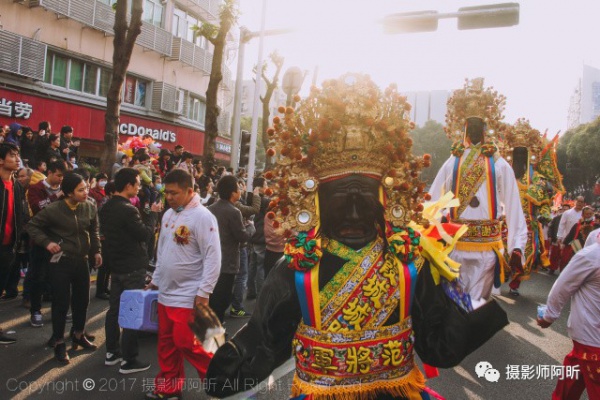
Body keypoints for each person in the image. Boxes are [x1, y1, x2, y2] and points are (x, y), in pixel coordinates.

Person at [201, 74, 508, 399]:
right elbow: (265, 344)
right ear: (315, 200)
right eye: (339, 197)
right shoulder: (297, 271)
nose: (352, 210)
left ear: (385, 199)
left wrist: (479, 314)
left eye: (363, 197)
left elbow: (438, 348)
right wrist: (226, 360)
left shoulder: (410, 265)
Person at [429, 77, 528, 299]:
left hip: (488, 247)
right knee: (454, 302)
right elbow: (433, 201)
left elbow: (513, 206)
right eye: (469, 125)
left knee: (478, 303)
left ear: (486, 128)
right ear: (463, 128)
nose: (473, 131)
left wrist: (517, 247)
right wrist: (427, 236)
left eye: (477, 126)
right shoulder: (452, 162)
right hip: (456, 244)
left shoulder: (499, 164)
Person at [144, 169, 221, 400]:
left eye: (174, 193)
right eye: (166, 192)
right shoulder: (168, 215)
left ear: (190, 190)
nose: (169, 197)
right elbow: (163, 251)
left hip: (189, 296)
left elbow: (213, 257)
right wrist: (156, 281)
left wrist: (204, 292)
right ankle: (169, 388)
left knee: (188, 343)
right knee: (166, 345)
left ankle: (221, 385)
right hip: (166, 294)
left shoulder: (203, 217)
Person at [27, 172, 102, 364]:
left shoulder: (89, 206)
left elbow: (93, 230)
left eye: (86, 188)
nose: (86, 192)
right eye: (81, 190)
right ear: (68, 192)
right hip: (60, 262)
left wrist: (96, 251)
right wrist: (47, 243)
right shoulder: (54, 209)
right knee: (61, 302)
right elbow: (32, 226)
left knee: (82, 300)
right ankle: (59, 342)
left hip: (82, 260)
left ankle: (78, 334)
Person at [101, 168, 156, 374]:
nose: (139, 187)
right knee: (132, 312)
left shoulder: (106, 207)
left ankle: (112, 352)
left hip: (116, 265)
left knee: (114, 309)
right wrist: (153, 216)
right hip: (133, 266)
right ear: (128, 186)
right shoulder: (128, 209)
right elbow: (144, 234)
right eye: (138, 183)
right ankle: (129, 360)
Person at [500, 119, 561, 292]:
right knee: (501, 253)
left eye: (522, 154)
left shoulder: (537, 180)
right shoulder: (504, 174)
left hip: (527, 223)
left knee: (523, 255)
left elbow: (544, 203)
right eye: (516, 154)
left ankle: (514, 283)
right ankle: (501, 277)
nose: (519, 157)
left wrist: (544, 214)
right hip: (505, 221)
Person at [537, 240, 600, 399]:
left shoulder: (591, 255)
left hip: (592, 340)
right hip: (586, 341)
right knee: (569, 381)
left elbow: (563, 285)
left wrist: (549, 316)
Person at [208, 175, 255, 322]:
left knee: (211, 296)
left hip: (210, 259)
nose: (240, 191)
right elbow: (242, 236)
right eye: (238, 188)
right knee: (222, 297)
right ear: (232, 192)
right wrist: (251, 228)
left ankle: (210, 326)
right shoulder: (234, 212)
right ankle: (217, 328)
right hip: (227, 261)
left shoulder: (210, 208)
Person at [26, 160, 66, 328]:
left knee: (57, 278)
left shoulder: (66, 190)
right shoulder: (36, 188)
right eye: (58, 175)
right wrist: (57, 196)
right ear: (49, 172)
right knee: (38, 277)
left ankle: (58, 311)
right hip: (40, 241)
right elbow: (37, 207)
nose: (60, 179)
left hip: (59, 240)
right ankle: (35, 311)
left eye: (63, 176)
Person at [0, 143, 25, 345]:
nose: (17, 159)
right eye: (12, 155)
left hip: (8, 247)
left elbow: (20, 216)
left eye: (18, 155)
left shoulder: (16, 185)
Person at [557, 196, 585, 269]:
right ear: (575, 202)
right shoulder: (567, 213)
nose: (580, 203)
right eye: (579, 201)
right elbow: (561, 225)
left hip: (579, 241)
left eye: (582, 202)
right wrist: (559, 236)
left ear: (584, 204)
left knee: (575, 259)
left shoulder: (584, 214)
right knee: (564, 258)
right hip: (567, 239)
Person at [548, 204, 571, 274]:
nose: (565, 211)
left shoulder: (572, 218)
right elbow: (551, 227)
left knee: (565, 257)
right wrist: (550, 236)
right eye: (564, 209)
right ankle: (552, 268)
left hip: (567, 240)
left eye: (567, 210)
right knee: (554, 255)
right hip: (557, 239)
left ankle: (563, 271)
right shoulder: (556, 218)